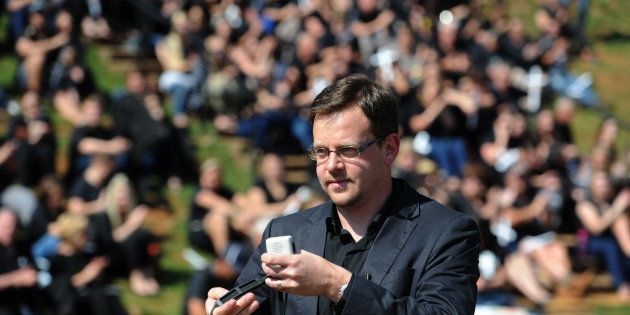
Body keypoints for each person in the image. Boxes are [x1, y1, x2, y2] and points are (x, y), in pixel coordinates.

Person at [205, 74, 480, 314]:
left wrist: (337, 284)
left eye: (348, 150)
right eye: (321, 152)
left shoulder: (446, 232)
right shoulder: (284, 231)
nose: (332, 166)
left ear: (390, 149)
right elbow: (250, 304)